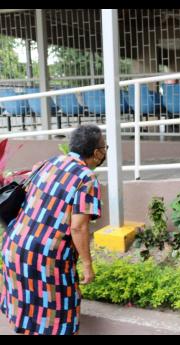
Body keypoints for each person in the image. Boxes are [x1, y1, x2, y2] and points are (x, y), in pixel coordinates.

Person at [1, 124, 106, 335]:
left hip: (15, 248)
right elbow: (78, 227)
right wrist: (87, 265)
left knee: (27, 316)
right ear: (96, 153)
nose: (105, 152)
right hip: (47, 259)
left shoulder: (49, 163)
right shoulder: (86, 178)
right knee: (61, 321)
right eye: (105, 148)